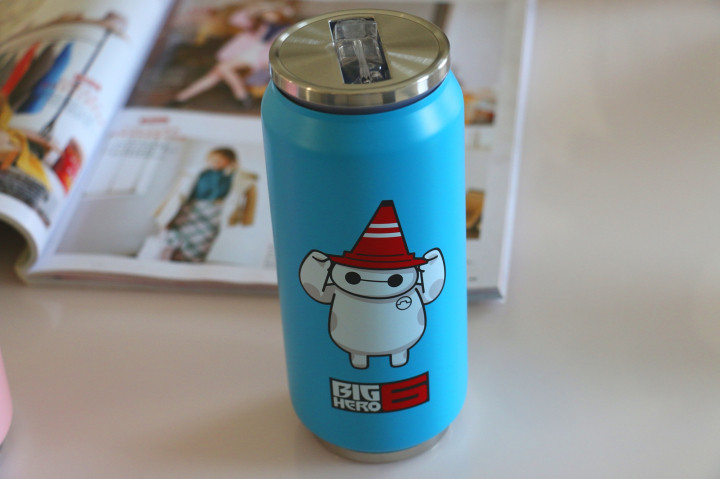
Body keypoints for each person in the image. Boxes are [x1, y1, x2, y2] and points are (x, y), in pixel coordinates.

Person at [172, 1, 294, 106]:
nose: (267, 14)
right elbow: (235, 19)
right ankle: (180, 98)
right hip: (244, 52)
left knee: (223, 68)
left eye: (271, 12)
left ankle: (242, 95)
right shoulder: (258, 25)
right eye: (266, 12)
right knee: (215, 74)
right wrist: (255, 9)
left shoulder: (287, 29)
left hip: (259, 57)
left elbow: (282, 49)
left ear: (279, 13)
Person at [162, 147, 253, 262]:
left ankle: (191, 260)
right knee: (178, 234)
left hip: (213, 211)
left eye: (220, 160)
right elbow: (182, 193)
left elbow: (243, 183)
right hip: (191, 208)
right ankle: (171, 256)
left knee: (203, 238)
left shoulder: (231, 177)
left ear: (230, 162)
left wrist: (235, 168)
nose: (215, 162)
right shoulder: (199, 173)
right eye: (212, 159)